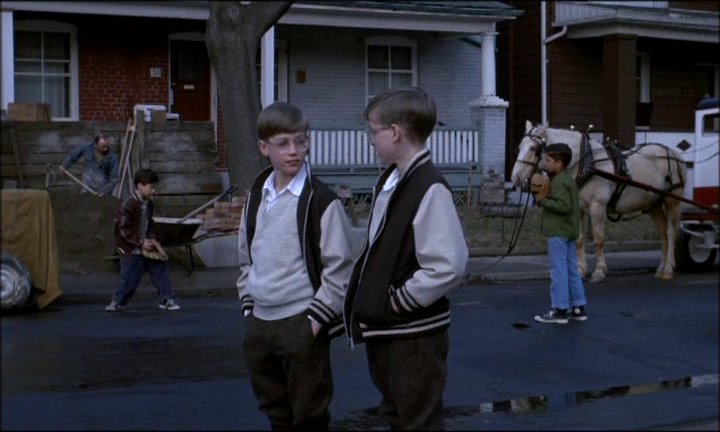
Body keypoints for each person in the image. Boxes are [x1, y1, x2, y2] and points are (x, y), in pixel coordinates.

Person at [343, 87, 469, 430]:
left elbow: (449, 265)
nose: (371, 140)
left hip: (413, 338)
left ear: (395, 132)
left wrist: (397, 302)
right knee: (398, 416)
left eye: (373, 132)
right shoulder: (392, 181)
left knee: (418, 421)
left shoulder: (428, 187)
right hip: (389, 332)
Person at [236, 102, 354, 430]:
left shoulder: (321, 200)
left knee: (309, 416)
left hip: (301, 321)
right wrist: (248, 306)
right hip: (260, 323)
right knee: (276, 412)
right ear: (264, 148)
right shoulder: (257, 196)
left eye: (300, 141)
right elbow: (246, 256)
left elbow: (340, 269)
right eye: (283, 143)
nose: (293, 151)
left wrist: (314, 322)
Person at [105, 168, 180, 312]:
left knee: (161, 269)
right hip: (131, 249)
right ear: (140, 186)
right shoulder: (129, 204)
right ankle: (117, 301)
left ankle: (166, 299)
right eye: (151, 187)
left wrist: (152, 239)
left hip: (146, 245)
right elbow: (123, 229)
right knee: (130, 280)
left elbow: (150, 223)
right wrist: (140, 242)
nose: (154, 191)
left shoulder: (149, 204)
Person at [531, 143, 588, 324]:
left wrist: (543, 201)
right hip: (569, 230)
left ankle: (560, 310)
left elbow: (563, 206)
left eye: (548, 160)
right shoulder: (568, 179)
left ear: (559, 163)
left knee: (558, 271)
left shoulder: (559, 181)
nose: (545, 163)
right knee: (571, 269)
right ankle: (578, 307)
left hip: (558, 231)